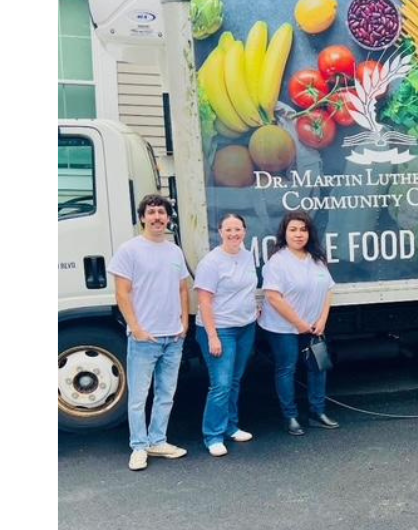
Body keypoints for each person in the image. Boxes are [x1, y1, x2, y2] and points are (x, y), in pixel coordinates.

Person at [107, 193, 191, 471]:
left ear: (168, 218)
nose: (157, 217)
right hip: (145, 338)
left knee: (166, 394)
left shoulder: (175, 251)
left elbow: (182, 288)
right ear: (142, 217)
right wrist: (137, 328)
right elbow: (122, 293)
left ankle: (158, 440)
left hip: (173, 336)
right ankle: (139, 447)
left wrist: (184, 323)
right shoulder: (129, 250)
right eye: (152, 212)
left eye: (162, 212)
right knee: (139, 396)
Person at [260, 211, 340, 436]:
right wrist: (300, 323)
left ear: (309, 233)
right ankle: (291, 417)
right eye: (293, 230)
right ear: (284, 233)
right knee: (287, 369)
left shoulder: (316, 259)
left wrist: (322, 319)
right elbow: (274, 297)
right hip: (283, 328)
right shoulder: (278, 262)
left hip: (314, 326)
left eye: (303, 230)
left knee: (318, 367)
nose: (298, 234)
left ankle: (317, 412)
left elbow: (328, 290)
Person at [193, 212, 259, 457]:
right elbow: (205, 302)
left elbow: (246, 290)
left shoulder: (247, 256)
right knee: (220, 384)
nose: (233, 234)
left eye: (238, 229)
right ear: (219, 232)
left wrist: (254, 310)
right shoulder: (211, 263)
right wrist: (212, 336)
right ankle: (213, 436)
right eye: (228, 230)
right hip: (220, 329)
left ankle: (231, 426)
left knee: (234, 380)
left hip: (246, 327)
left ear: (245, 231)